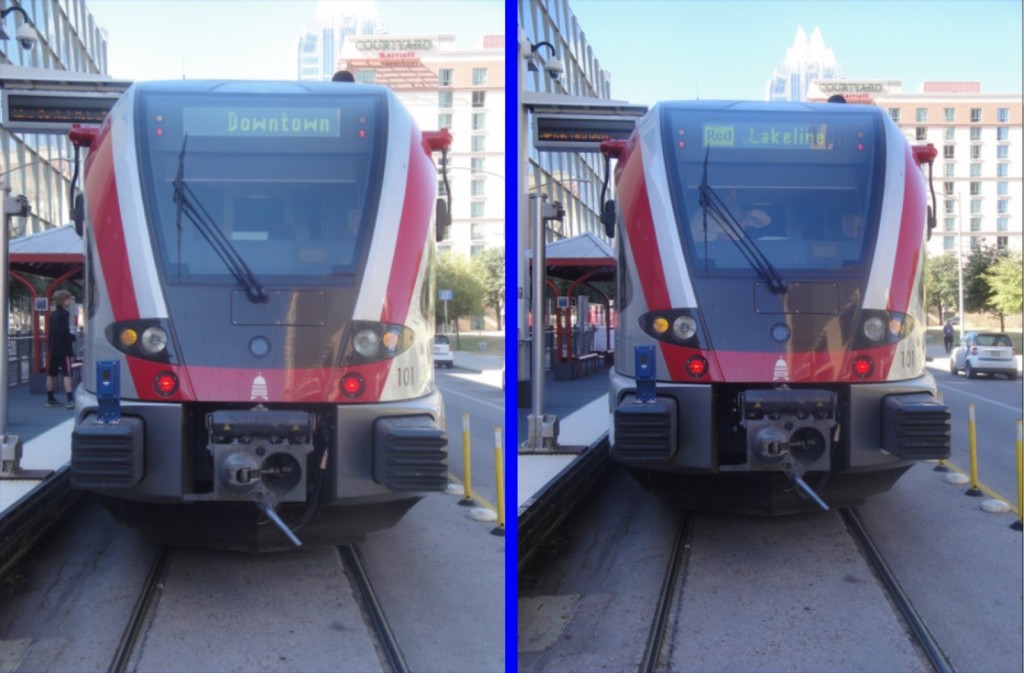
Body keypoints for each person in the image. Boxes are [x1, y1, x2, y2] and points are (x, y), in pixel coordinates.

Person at [690, 187, 771, 242]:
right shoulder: (704, 214)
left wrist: (749, 213)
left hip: (741, 252)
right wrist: (717, 236)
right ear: (720, 194)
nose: (732, 200)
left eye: (734, 197)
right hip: (714, 251)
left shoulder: (737, 213)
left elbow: (766, 221)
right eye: (729, 196)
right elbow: (692, 236)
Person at [45, 289, 77, 409]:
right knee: (67, 373)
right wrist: (73, 337)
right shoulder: (64, 314)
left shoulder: (53, 315)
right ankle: (70, 399)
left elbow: (53, 333)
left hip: (53, 348)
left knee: (51, 373)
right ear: (63, 300)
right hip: (64, 349)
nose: (70, 300)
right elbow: (64, 333)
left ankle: (50, 398)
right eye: (69, 298)